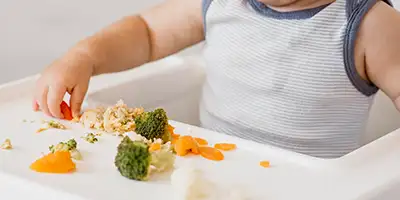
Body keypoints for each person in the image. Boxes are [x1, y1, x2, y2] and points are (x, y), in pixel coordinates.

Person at [33, 0, 400, 158]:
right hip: (209, 170)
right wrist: (85, 56)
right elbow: (147, 33)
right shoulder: (220, 3)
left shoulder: (369, 24)